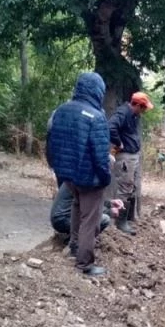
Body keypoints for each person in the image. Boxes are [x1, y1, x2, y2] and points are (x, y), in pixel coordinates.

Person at [46, 72, 111, 277]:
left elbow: (51, 143)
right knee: (90, 219)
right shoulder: (97, 117)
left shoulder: (61, 111)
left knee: (76, 206)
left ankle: (74, 246)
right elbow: (101, 156)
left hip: (68, 175)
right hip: (89, 178)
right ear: (98, 91)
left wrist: (56, 166)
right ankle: (85, 264)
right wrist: (105, 178)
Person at [108, 91, 154, 235]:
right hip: (125, 158)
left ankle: (125, 220)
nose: (144, 111)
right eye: (144, 108)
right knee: (124, 188)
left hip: (132, 156)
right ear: (138, 105)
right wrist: (119, 143)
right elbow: (111, 127)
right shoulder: (123, 113)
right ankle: (120, 223)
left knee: (129, 187)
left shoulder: (133, 115)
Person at [50, 183, 125, 252]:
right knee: (104, 220)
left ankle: (71, 238)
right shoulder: (85, 180)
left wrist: (110, 203)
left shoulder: (80, 174)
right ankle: (78, 245)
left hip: (60, 217)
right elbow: (88, 208)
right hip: (63, 219)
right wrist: (110, 212)